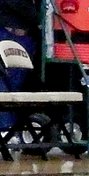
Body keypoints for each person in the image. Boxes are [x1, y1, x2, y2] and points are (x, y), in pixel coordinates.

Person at [0, 0, 38, 131]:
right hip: (10, 32)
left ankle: (10, 129)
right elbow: (27, 11)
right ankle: (6, 128)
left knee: (14, 85)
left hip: (18, 33)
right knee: (6, 83)